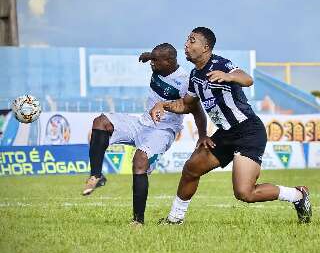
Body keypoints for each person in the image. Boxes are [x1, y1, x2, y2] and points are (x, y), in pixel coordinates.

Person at [150, 27, 312, 224]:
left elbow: (247, 78)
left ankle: (297, 195)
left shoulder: (221, 64)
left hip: (248, 132)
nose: (186, 44)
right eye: (187, 40)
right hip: (225, 134)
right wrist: (163, 105)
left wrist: (229, 76)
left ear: (205, 47)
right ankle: (175, 219)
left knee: (245, 193)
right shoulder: (194, 75)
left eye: (192, 41)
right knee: (191, 169)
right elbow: (187, 104)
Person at [83, 43, 207, 225]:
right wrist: (148, 56)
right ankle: (96, 175)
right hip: (142, 122)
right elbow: (154, 56)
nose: (152, 63)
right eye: (153, 59)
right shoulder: (158, 62)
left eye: (156, 60)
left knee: (139, 161)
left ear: (169, 61)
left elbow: (196, 110)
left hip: (163, 130)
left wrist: (203, 135)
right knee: (101, 122)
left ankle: (137, 221)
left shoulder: (184, 81)